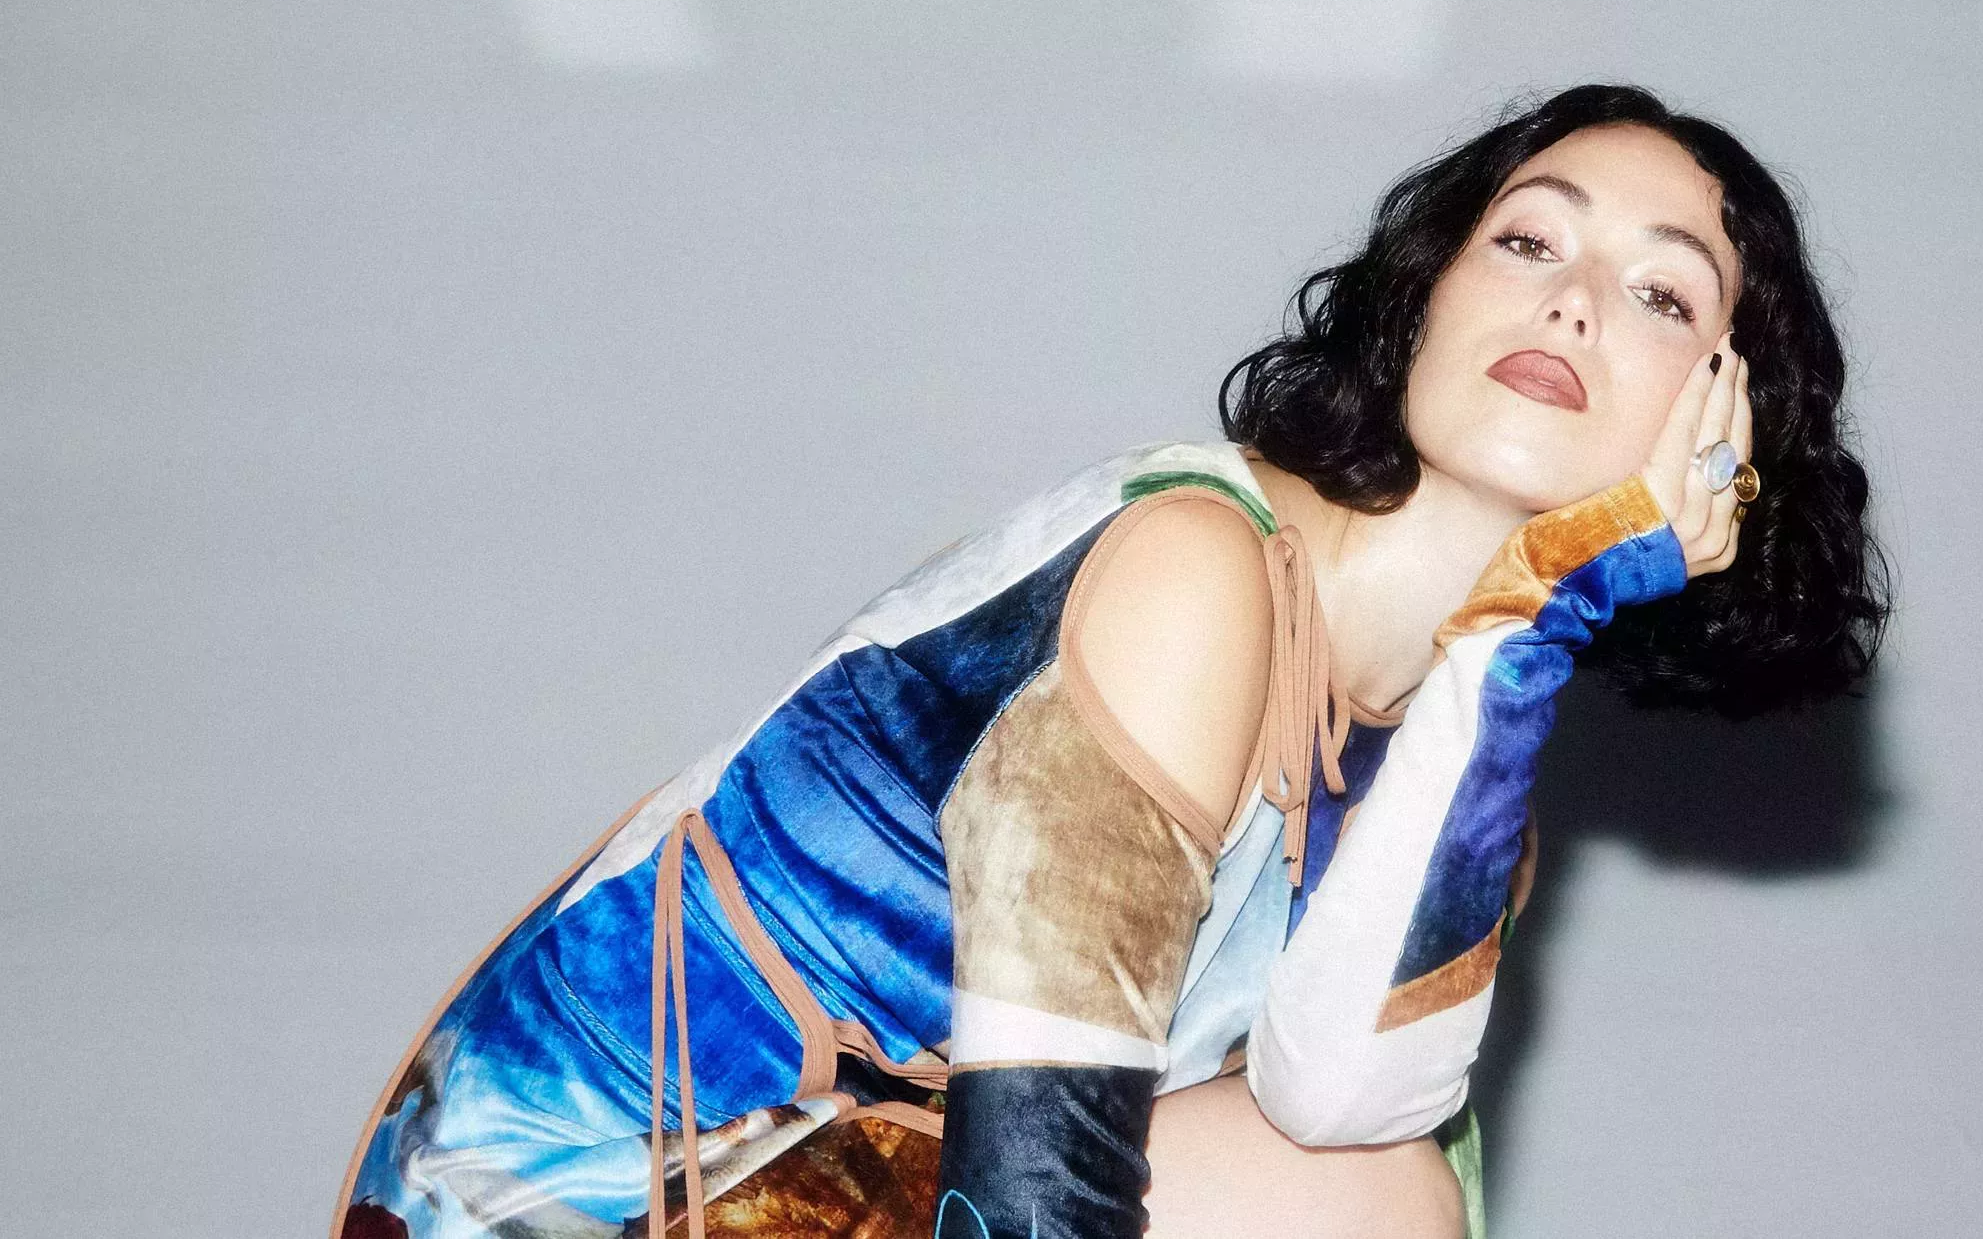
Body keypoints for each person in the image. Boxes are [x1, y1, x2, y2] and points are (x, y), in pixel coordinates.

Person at [329, 84, 1888, 1239]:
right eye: (1527, 237)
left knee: (1369, 1185)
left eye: (1661, 292)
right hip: (566, 1203)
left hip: (858, 1193)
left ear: (1725, 438)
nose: (1569, 296)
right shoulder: (1196, 572)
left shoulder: (1462, 748)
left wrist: (1532, 618)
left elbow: (1341, 1105)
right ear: (1424, 299)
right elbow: (1029, 1192)